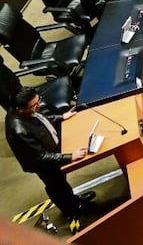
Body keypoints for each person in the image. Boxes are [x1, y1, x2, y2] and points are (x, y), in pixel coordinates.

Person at [5, 88, 94, 227]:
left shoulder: (26, 111)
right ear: (20, 109)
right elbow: (41, 157)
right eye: (34, 105)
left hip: (50, 151)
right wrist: (70, 157)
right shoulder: (20, 131)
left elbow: (41, 120)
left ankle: (74, 200)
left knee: (61, 182)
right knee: (56, 186)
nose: (38, 106)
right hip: (44, 164)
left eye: (38, 101)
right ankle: (72, 210)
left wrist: (61, 117)